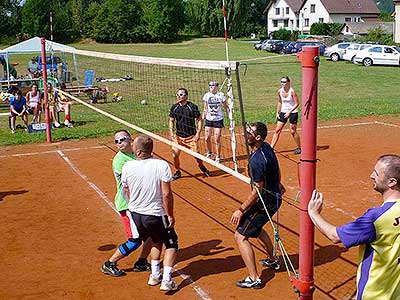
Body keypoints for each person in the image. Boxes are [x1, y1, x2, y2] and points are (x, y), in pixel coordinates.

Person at [308, 154, 400, 300]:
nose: (371, 176)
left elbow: (335, 236)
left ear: (392, 182)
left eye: (376, 173)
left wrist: (313, 213)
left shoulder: (376, 218)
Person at [121, 135, 179, 291]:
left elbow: (126, 189)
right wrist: (170, 215)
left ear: (139, 152)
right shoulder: (161, 165)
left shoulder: (127, 166)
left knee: (155, 240)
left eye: (133, 146)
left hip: (136, 214)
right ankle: (166, 280)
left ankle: (154, 275)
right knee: (171, 243)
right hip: (154, 213)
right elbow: (166, 194)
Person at [231, 122, 284, 289]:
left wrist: (240, 210)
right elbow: (277, 166)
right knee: (256, 228)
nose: (245, 134)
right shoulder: (267, 147)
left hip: (264, 203)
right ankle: (274, 260)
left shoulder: (257, 161)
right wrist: (278, 183)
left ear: (258, 137)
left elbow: (257, 191)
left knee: (240, 236)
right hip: (272, 197)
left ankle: (254, 278)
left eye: (249, 132)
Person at [101, 130, 152, 277]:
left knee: (151, 236)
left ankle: (141, 262)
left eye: (121, 140)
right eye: (116, 141)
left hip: (141, 203)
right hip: (128, 204)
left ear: (130, 140)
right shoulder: (120, 160)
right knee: (135, 240)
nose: (118, 143)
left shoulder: (136, 154)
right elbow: (132, 181)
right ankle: (109, 263)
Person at [169, 87, 211, 180]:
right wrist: (171, 132)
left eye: (181, 94)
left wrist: (198, 134)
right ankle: (177, 171)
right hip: (178, 137)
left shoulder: (192, 107)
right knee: (174, 155)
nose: (178, 96)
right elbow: (171, 120)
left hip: (191, 137)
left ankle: (201, 166)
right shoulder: (174, 107)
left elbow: (200, 119)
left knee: (197, 155)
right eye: (177, 94)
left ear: (186, 96)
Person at [270, 76, 301, 155]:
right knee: (277, 130)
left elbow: (297, 103)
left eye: (284, 82)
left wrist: (289, 112)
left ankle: (299, 147)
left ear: (288, 82)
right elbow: (280, 102)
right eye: (281, 82)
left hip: (293, 112)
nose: (282, 83)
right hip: (283, 112)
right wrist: (277, 112)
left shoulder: (292, 91)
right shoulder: (279, 91)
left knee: (292, 131)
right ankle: (271, 148)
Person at [202, 81, 229, 163]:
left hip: (218, 119)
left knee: (217, 139)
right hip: (209, 119)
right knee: (207, 137)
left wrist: (229, 115)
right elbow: (205, 107)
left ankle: (218, 156)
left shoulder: (221, 95)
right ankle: (209, 152)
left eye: (213, 86)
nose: (211, 87)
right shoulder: (206, 95)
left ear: (217, 87)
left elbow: (225, 107)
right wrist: (203, 115)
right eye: (210, 86)